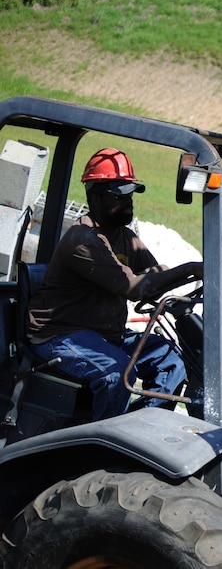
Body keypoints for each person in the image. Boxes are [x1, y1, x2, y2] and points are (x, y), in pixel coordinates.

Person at [27, 148, 203, 420]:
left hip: (105, 336)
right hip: (60, 336)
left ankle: (141, 425)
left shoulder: (125, 237)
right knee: (116, 371)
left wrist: (182, 275)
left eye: (129, 195)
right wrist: (189, 268)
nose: (128, 202)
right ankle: (104, 444)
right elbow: (133, 286)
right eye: (118, 196)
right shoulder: (83, 240)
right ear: (94, 196)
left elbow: (152, 275)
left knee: (172, 358)